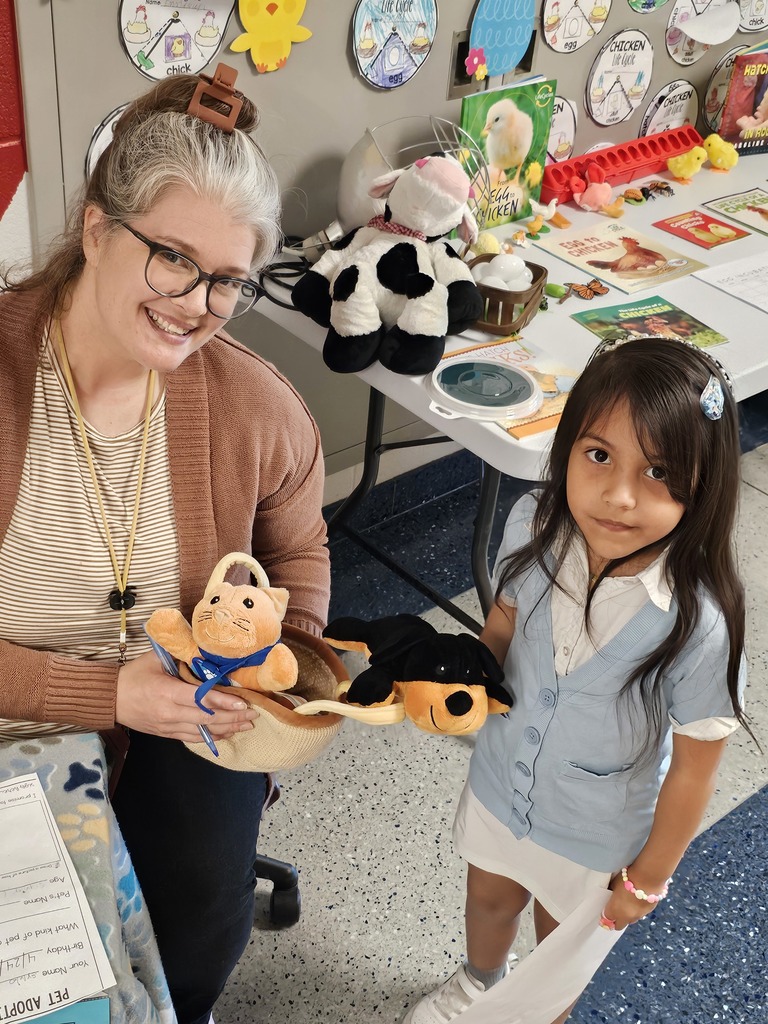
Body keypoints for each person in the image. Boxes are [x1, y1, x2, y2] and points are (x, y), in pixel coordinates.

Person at [0, 67, 329, 1024]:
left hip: (182, 726)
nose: (198, 303)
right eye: (173, 258)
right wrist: (108, 695)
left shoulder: (253, 404)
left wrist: (282, 664)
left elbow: (300, 551)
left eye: (230, 278)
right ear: (98, 227)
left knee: (201, 918)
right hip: (16, 723)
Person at [401, 337, 750, 1024]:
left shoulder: (697, 623)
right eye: (598, 456)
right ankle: (476, 983)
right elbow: (501, 623)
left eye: (658, 471)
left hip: (597, 835)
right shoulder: (533, 523)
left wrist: (647, 881)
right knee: (489, 900)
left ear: (705, 482)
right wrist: (463, 683)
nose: (619, 497)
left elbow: (692, 773)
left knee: (556, 964)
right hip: (502, 783)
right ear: (566, 448)